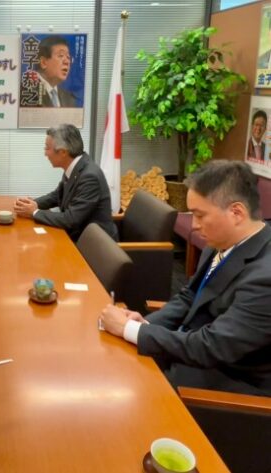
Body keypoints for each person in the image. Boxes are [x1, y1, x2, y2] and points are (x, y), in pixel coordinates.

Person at [100, 160, 271, 396]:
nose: (194, 225)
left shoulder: (265, 277)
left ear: (236, 213)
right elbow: (190, 296)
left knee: (128, 388)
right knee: (112, 364)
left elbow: (213, 346)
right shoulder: (221, 240)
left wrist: (131, 330)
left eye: (200, 215)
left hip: (230, 380)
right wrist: (146, 325)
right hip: (192, 348)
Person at [14, 124, 117, 241]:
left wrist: (35, 212)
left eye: (47, 148)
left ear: (63, 152)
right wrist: (32, 204)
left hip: (94, 244)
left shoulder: (89, 177)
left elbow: (71, 219)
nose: (45, 153)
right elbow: (56, 195)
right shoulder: (76, 166)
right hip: (76, 235)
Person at [35, 36, 77, 108]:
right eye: (61, 55)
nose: (67, 62)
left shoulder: (69, 99)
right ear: (43, 62)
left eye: (68, 57)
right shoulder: (27, 93)